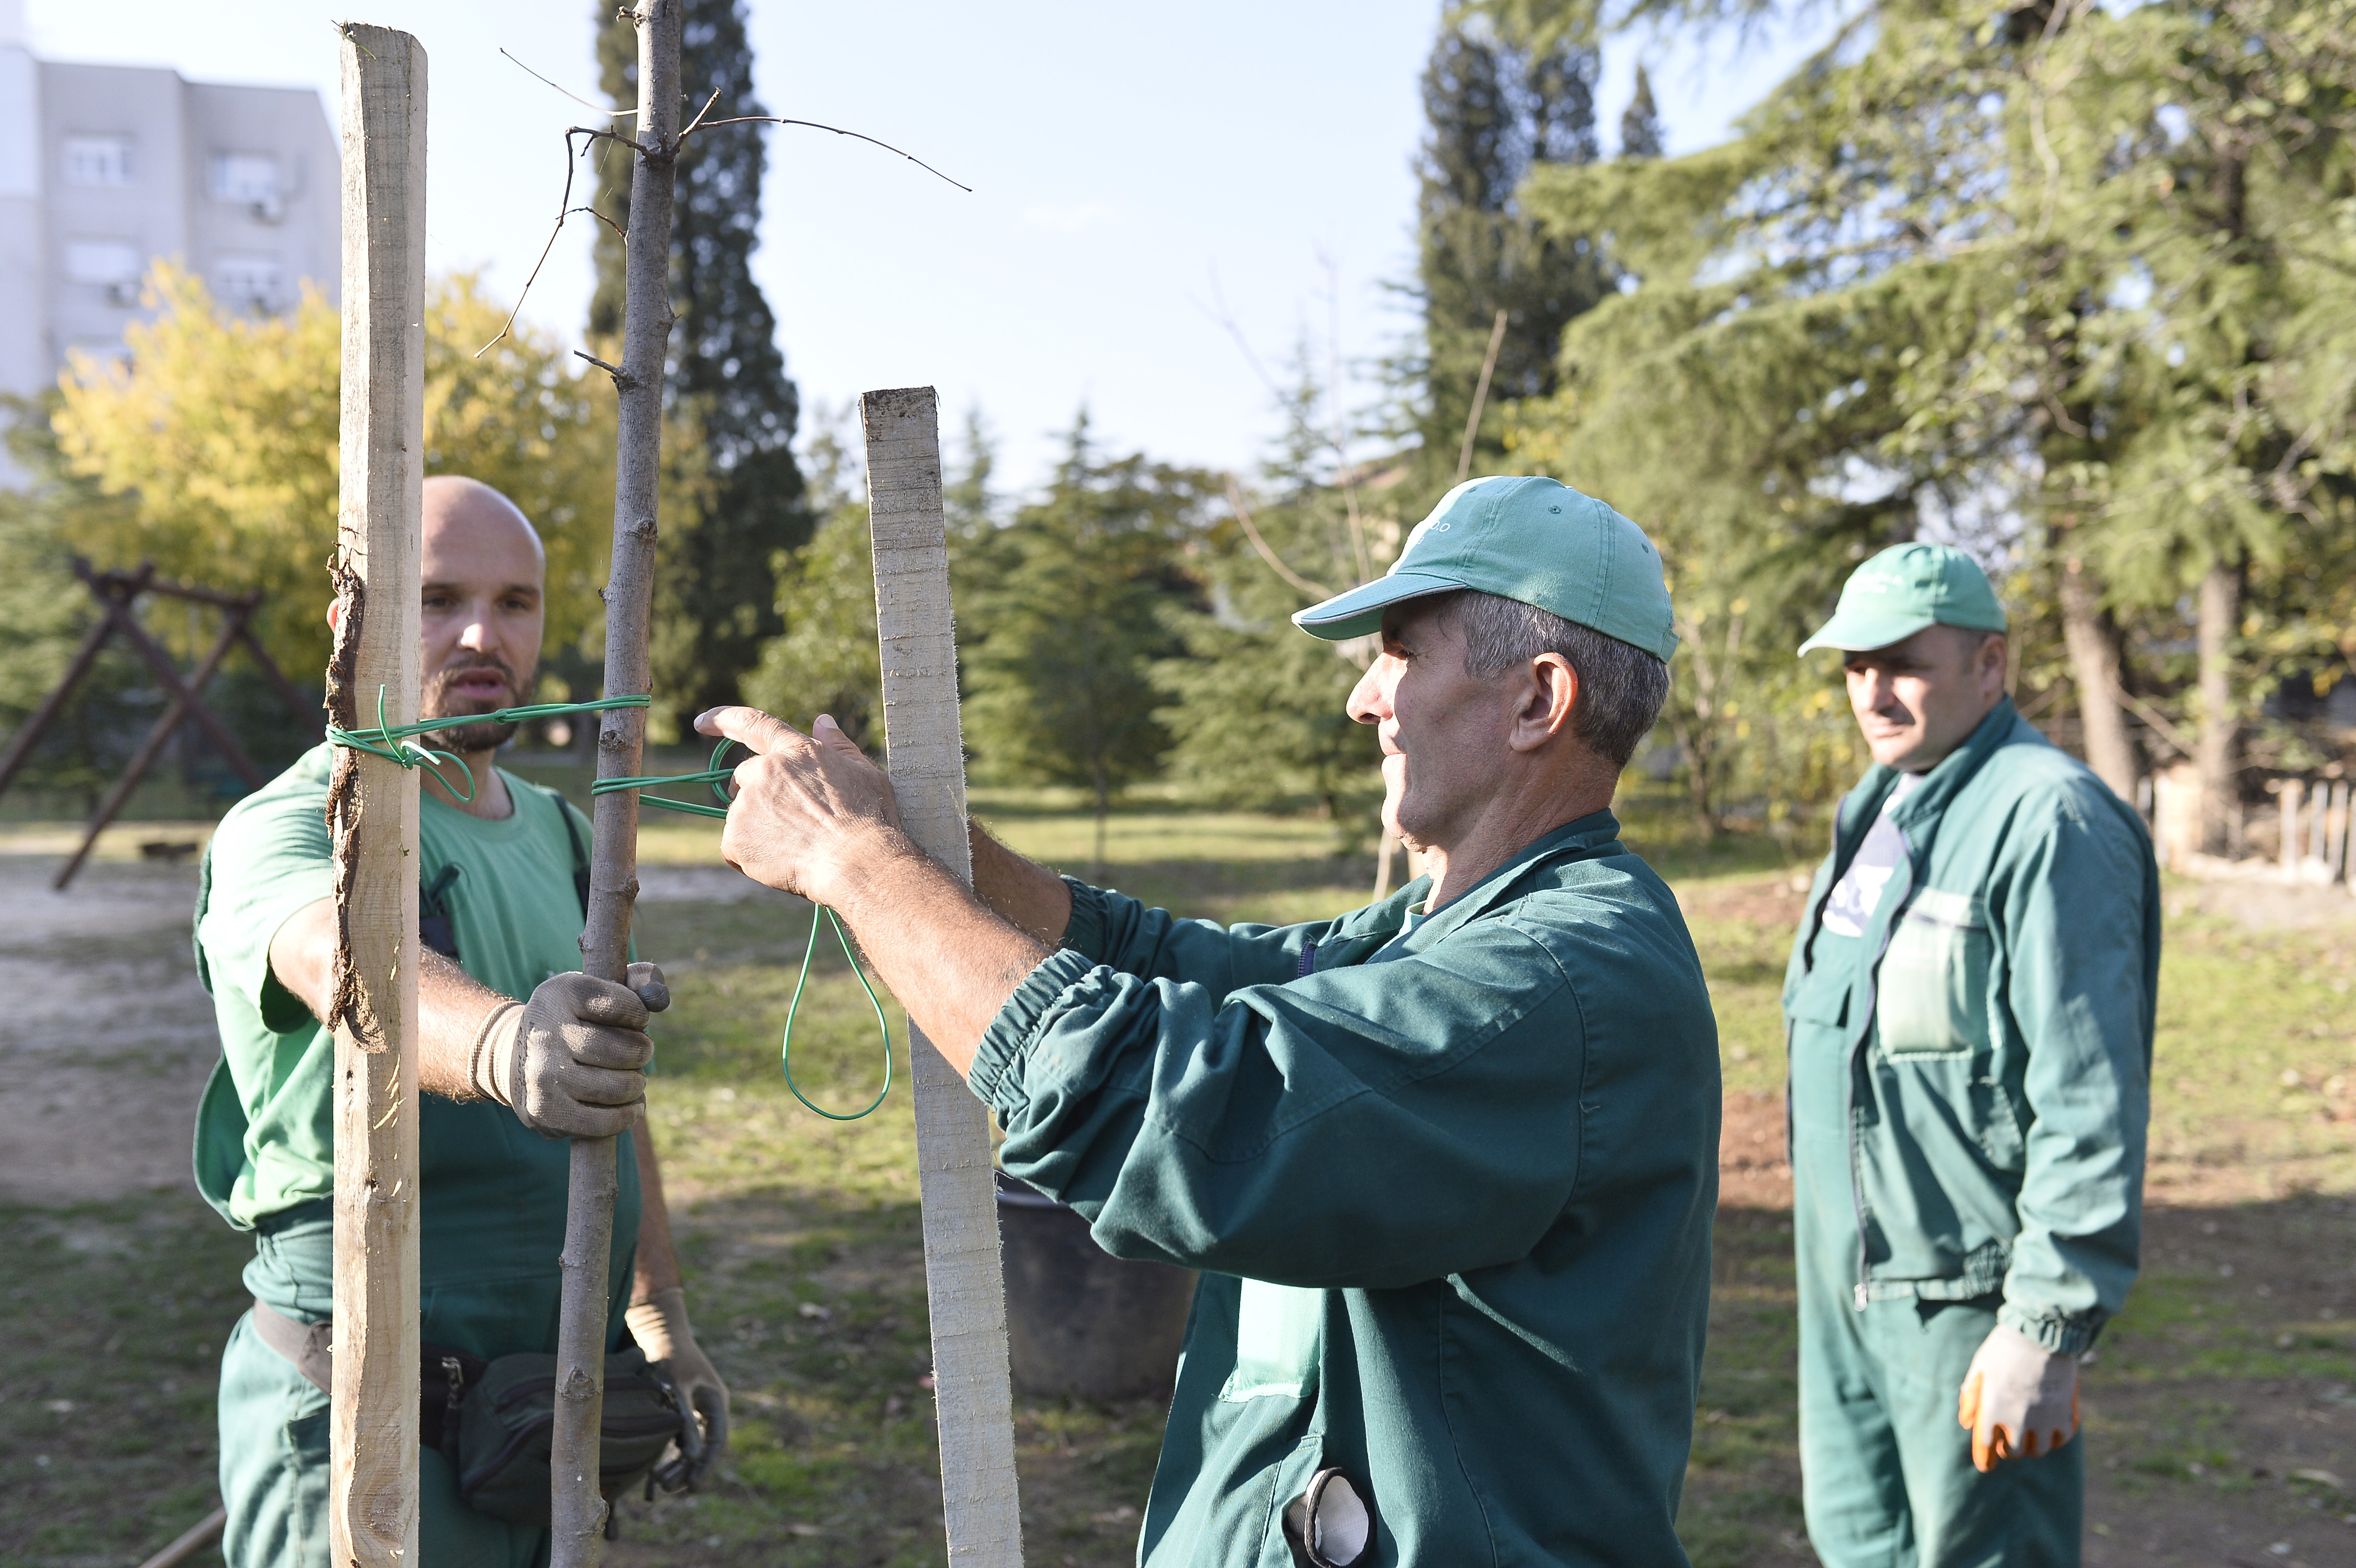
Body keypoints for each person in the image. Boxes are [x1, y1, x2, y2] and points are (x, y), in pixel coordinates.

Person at [700, 475, 1721, 1567]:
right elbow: (1176, 965)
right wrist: (912, 833)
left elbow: (1175, 1114)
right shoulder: (1442, 933)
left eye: (1403, 653)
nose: (1365, 699)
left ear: (1537, 700)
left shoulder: (1556, 975)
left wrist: (852, 860)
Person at [193, 476, 728, 1567]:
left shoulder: (570, 836)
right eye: (437, 597)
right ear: (352, 624)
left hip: (540, 1407)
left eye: (515, 601)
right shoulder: (295, 821)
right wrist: (501, 1046)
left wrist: (658, 1310)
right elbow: (335, 952)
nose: (484, 631)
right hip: (363, 1414)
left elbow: (605, 1084)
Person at [1780, 544, 2159, 1566]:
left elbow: (2088, 1092)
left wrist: (2044, 1323)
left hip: (1966, 1305)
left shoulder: (2049, 819)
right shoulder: (1881, 807)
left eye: (1905, 662)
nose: (1873, 692)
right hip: (1848, 1295)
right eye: (1854, 667)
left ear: (1989, 664)